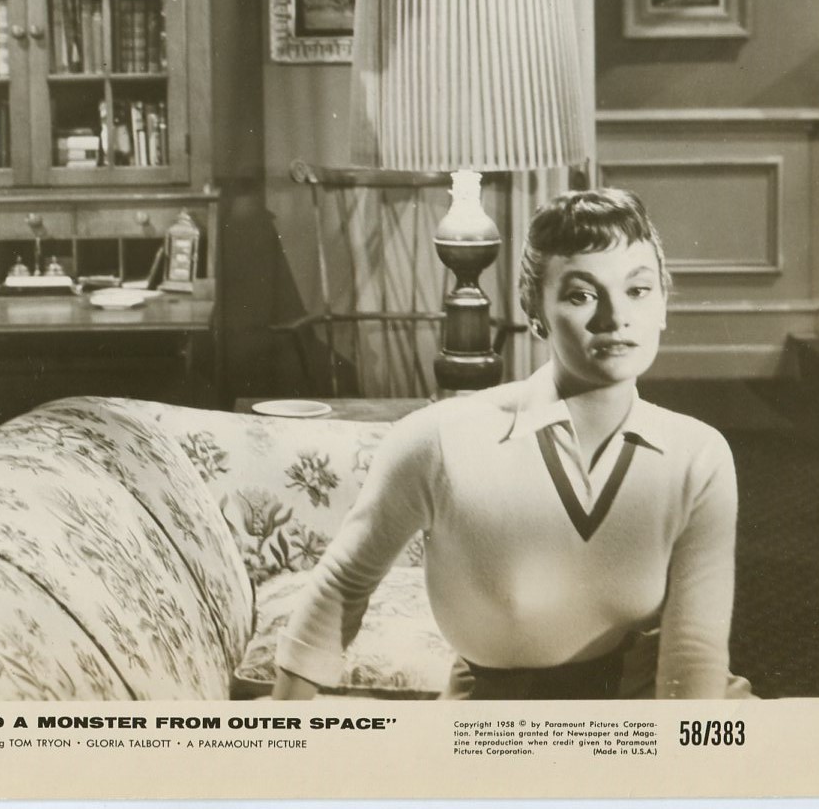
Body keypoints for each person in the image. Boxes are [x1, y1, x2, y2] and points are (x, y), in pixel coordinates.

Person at [273, 188, 749, 700]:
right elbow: (343, 585)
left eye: (638, 290)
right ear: (535, 312)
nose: (615, 317)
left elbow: (694, 654)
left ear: (663, 306)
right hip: (499, 717)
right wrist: (282, 732)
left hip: (649, 707)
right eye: (581, 295)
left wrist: (681, 748)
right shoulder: (439, 441)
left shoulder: (699, 455)